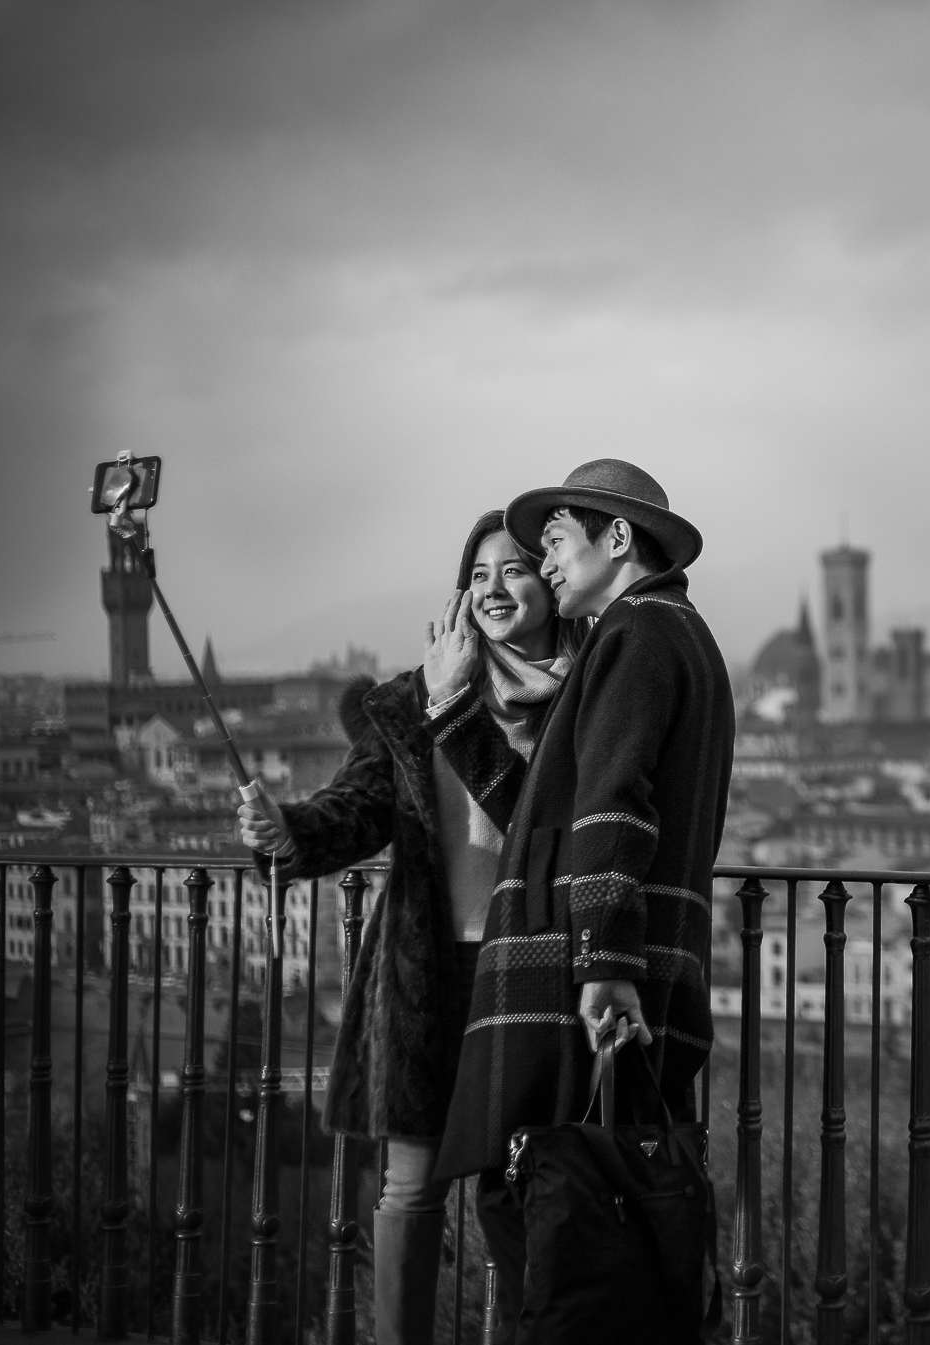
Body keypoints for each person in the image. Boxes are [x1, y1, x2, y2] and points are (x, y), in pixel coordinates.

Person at [235, 511, 574, 1345]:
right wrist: (288, 831)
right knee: (410, 1188)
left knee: (535, 1194)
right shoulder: (408, 698)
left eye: (518, 570)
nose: (496, 589)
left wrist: (453, 701)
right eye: (481, 574)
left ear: (553, 585)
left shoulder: (583, 700)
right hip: (425, 972)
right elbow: (354, 809)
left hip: (531, 973)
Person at [432, 460, 735, 1342]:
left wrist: (604, 967)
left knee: (547, 1227)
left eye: (556, 540)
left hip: (570, 984)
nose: (545, 561)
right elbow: (549, 813)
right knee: (608, 1233)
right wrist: (456, 707)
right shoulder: (679, 635)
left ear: (617, 539)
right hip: (624, 965)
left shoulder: (634, 634)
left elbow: (610, 805)